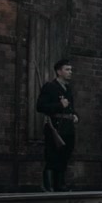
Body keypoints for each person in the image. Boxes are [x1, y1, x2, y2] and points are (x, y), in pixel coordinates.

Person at [36, 59, 78, 192]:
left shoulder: (68, 89)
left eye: (71, 69)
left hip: (68, 127)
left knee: (64, 156)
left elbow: (71, 108)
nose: (70, 72)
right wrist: (59, 105)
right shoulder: (50, 87)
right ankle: (49, 186)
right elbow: (40, 106)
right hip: (55, 127)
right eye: (67, 69)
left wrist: (75, 115)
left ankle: (60, 185)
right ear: (59, 72)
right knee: (52, 156)